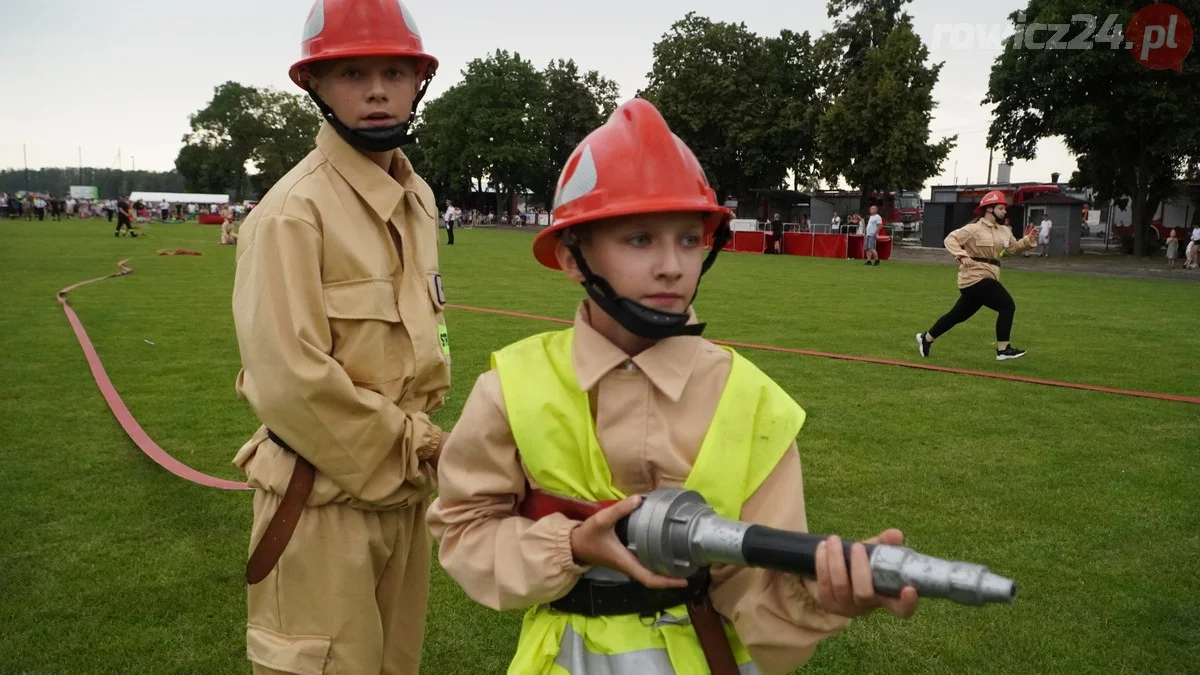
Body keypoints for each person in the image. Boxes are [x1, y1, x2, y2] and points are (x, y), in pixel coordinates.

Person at [427, 98, 919, 675]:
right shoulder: (511, 386)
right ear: (571, 256)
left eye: (689, 239)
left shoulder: (753, 401)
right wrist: (571, 547)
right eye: (640, 239)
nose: (672, 266)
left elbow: (758, 591)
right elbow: (465, 531)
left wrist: (821, 600)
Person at [228, 1, 451, 673]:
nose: (377, 89)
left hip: (403, 497)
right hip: (318, 504)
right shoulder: (292, 213)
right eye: (351, 73)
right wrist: (426, 446)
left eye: (393, 70)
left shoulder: (418, 199)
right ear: (314, 87)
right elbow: (291, 380)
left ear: (419, 82)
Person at [916, 190, 1038, 362]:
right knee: (1007, 305)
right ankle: (1003, 349)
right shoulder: (973, 229)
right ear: (989, 209)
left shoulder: (1004, 231)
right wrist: (961, 255)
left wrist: (1027, 240)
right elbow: (950, 239)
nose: (1005, 211)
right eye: (1001, 208)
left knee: (957, 316)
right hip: (974, 278)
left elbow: (1012, 249)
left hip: (989, 277)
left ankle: (926, 338)